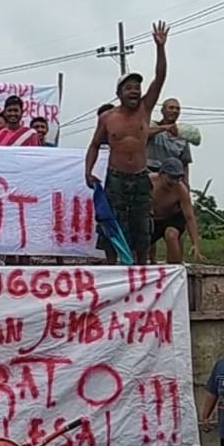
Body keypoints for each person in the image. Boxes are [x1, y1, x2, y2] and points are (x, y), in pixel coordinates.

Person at [85, 21, 170, 265]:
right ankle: (112, 271)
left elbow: (160, 77)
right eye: (129, 88)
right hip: (116, 178)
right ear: (120, 92)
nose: (135, 91)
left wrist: (160, 48)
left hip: (140, 177)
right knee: (112, 225)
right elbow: (93, 145)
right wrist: (88, 171)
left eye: (137, 87)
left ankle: (141, 270)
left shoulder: (145, 108)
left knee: (142, 227)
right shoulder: (108, 118)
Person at [148, 157, 204, 264]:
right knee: (142, 244)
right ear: (161, 174)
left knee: (171, 234)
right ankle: (148, 262)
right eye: (171, 178)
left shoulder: (181, 189)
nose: (174, 182)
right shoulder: (148, 181)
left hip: (171, 218)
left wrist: (195, 244)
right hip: (151, 218)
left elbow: (190, 217)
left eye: (177, 179)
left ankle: (174, 267)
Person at [146, 98, 194, 183]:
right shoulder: (152, 126)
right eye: (171, 108)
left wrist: (186, 185)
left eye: (177, 109)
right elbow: (143, 134)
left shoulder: (182, 136)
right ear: (162, 110)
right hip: (149, 173)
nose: (175, 111)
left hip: (171, 178)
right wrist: (165, 128)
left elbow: (185, 164)